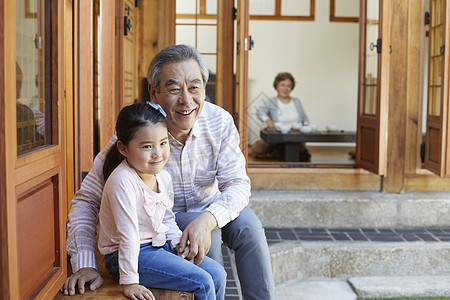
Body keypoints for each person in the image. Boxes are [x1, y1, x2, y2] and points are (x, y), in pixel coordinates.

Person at [63, 44, 276, 300]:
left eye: (195, 88)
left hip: (210, 208)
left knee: (249, 227)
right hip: (162, 222)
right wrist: (84, 262)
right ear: (154, 92)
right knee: (208, 254)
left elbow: (238, 184)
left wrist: (207, 220)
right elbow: (87, 200)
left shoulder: (220, 121)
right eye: (174, 89)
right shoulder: (135, 135)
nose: (186, 100)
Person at [98, 102, 226, 300]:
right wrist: (130, 282)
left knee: (218, 274)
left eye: (163, 143)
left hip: (158, 246)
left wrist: (178, 244)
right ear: (123, 148)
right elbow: (128, 234)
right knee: (203, 282)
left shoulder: (162, 176)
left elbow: (167, 219)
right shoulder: (122, 181)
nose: (157, 153)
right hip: (126, 256)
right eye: (147, 146)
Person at [251, 72, 310, 161]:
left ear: (291, 88)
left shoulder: (296, 102)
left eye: (288, 86)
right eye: (282, 85)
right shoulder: (272, 101)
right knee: (258, 148)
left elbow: (305, 118)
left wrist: (305, 125)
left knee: (299, 150)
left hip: (295, 137)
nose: (285, 89)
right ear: (276, 86)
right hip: (277, 137)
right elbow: (260, 111)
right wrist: (267, 120)